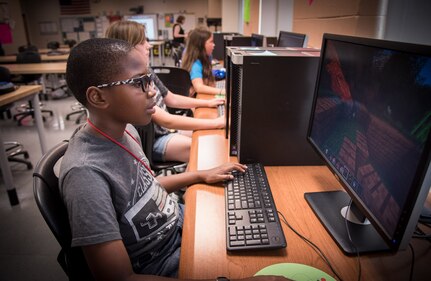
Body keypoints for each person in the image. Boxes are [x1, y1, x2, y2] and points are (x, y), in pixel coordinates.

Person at [61, 37, 288, 281]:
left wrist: (200, 175)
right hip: (163, 263)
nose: (152, 91)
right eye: (139, 83)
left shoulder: (126, 131)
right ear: (98, 97)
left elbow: (147, 190)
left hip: (178, 226)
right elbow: (120, 277)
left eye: (149, 79)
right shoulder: (85, 174)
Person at [106, 20, 225, 163]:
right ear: (127, 47)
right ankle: (192, 182)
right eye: (143, 42)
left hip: (167, 131)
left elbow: (171, 98)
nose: (149, 45)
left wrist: (207, 102)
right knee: (201, 148)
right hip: (154, 141)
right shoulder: (131, 83)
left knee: (212, 136)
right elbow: (166, 120)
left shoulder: (147, 71)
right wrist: (216, 123)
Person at [181, 26, 224, 96]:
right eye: (211, 42)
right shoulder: (195, 63)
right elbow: (199, 87)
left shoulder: (205, 58)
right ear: (200, 45)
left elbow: (210, 83)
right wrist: (222, 91)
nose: (214, 45)